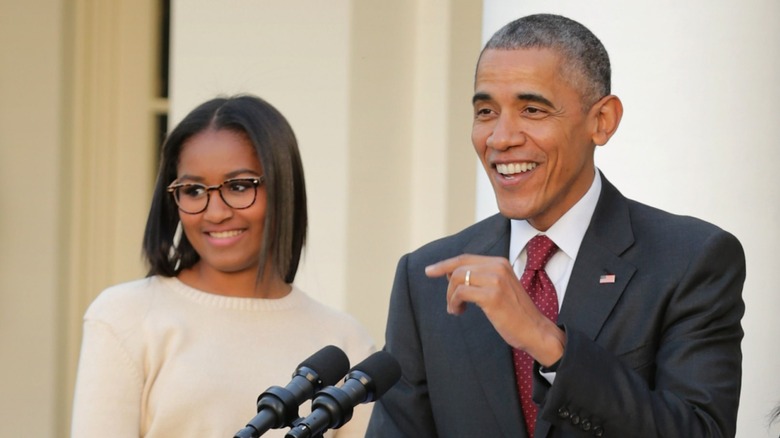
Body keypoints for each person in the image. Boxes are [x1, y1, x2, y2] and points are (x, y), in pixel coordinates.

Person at [367, 14, 745, 438]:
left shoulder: (691, 259)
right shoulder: (427, 278)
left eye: (531, 109)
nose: (500, 137)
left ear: (602, 121)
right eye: (486, 111)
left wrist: (550, 347)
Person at [71, 95, 375, 438]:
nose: (215, 212)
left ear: (284, 187)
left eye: (240, 186)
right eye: (194, 190)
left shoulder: (344, 342)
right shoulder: (124, 317)